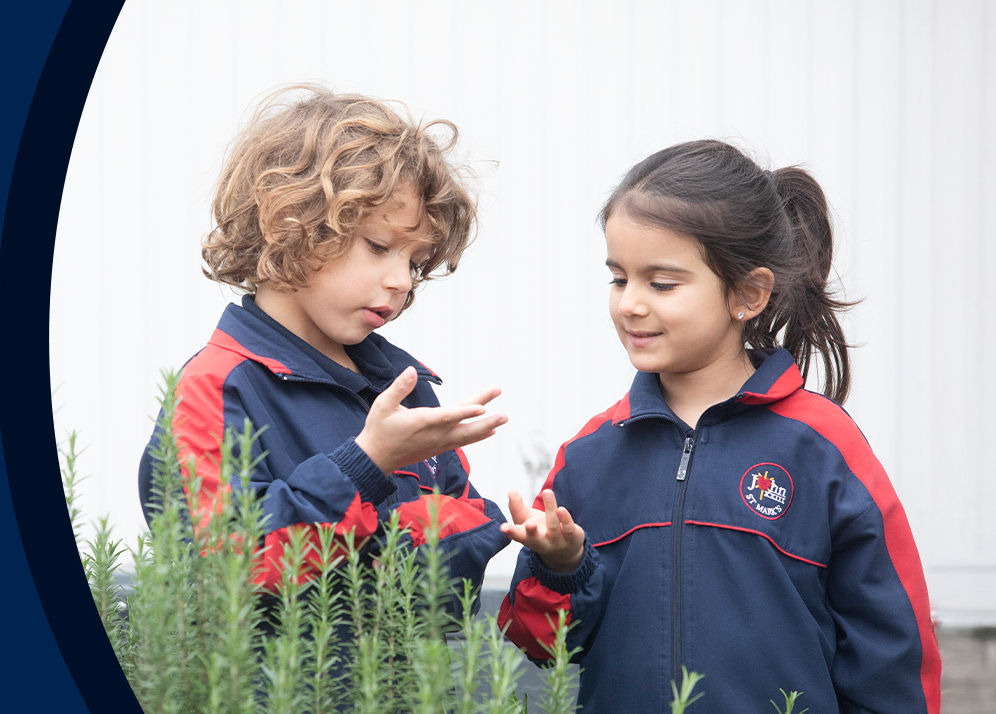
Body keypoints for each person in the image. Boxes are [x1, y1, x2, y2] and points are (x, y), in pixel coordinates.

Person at [497, 140, 939, 712]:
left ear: (747, 294)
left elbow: (891, 647)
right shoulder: (590, 455)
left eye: (661, 283)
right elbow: (540, 647)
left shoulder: (823, 446)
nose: (630, 304)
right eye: (618, 278)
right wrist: (562, 569)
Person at [137, 84, 510, 598]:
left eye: (415, 261)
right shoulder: (217, 388)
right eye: (380, 246)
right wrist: (367, 464)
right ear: (291, 223)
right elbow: (227, 569)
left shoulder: (405, 387)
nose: (402, 280)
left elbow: (455, 579)